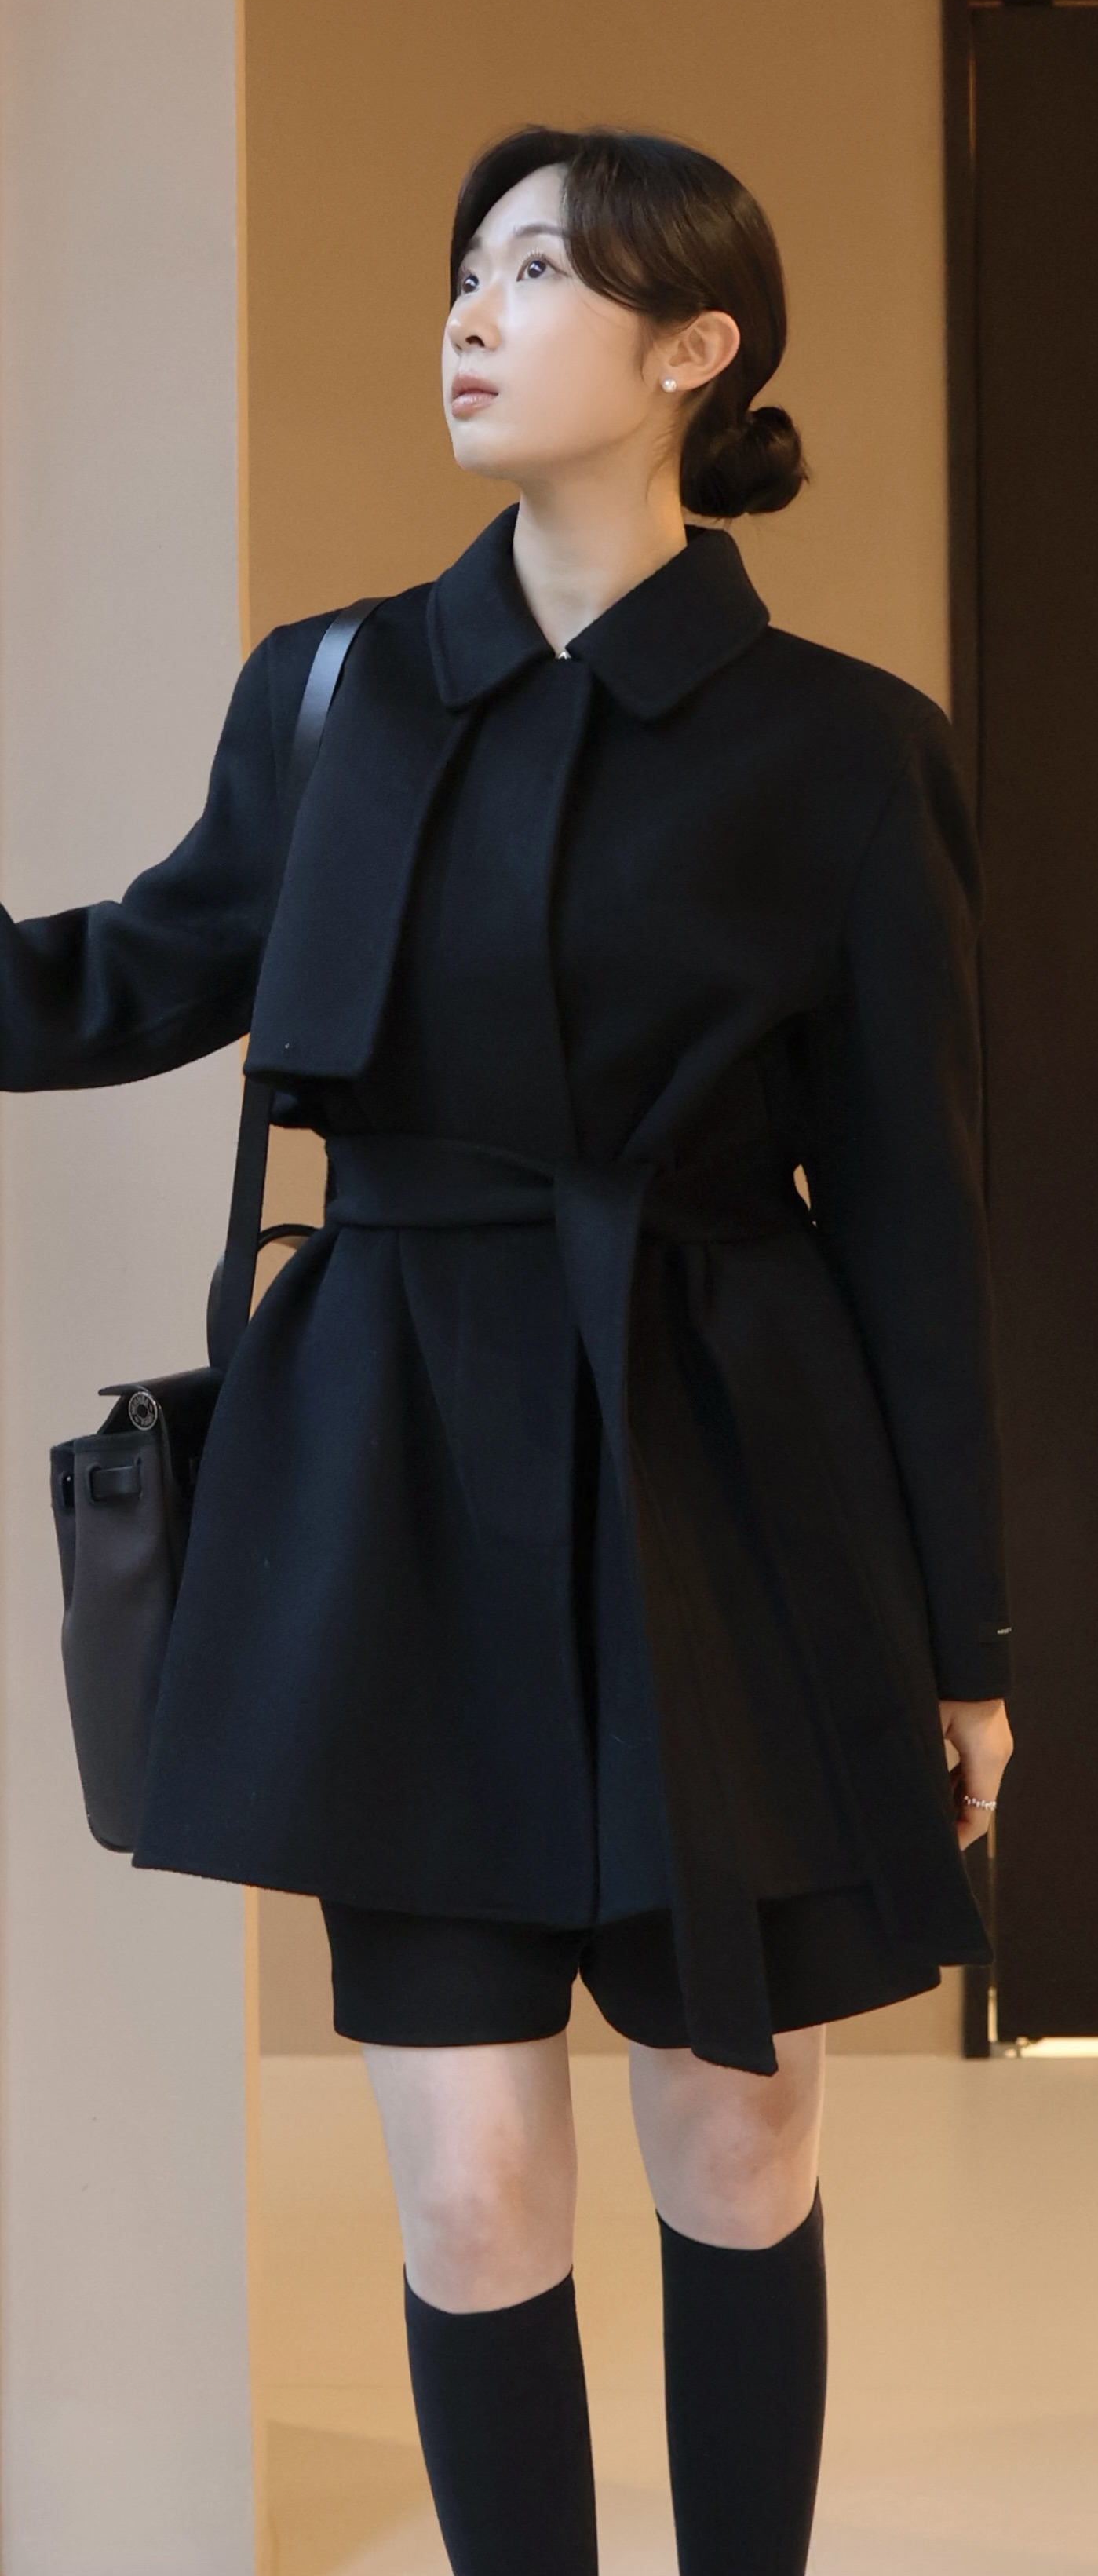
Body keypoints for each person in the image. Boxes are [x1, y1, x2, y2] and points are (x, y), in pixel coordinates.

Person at [2, 123, 1013, 2573]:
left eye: (540, 272)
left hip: (729, 1480)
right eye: (466, 268)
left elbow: (914, 1215)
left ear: (696, 349)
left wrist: (969, 1638)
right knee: (469, 2184)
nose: (471, 313)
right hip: (396, 1483)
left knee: (737, 2132)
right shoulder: (328, 691)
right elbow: (125, 977)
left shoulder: (844, 747)